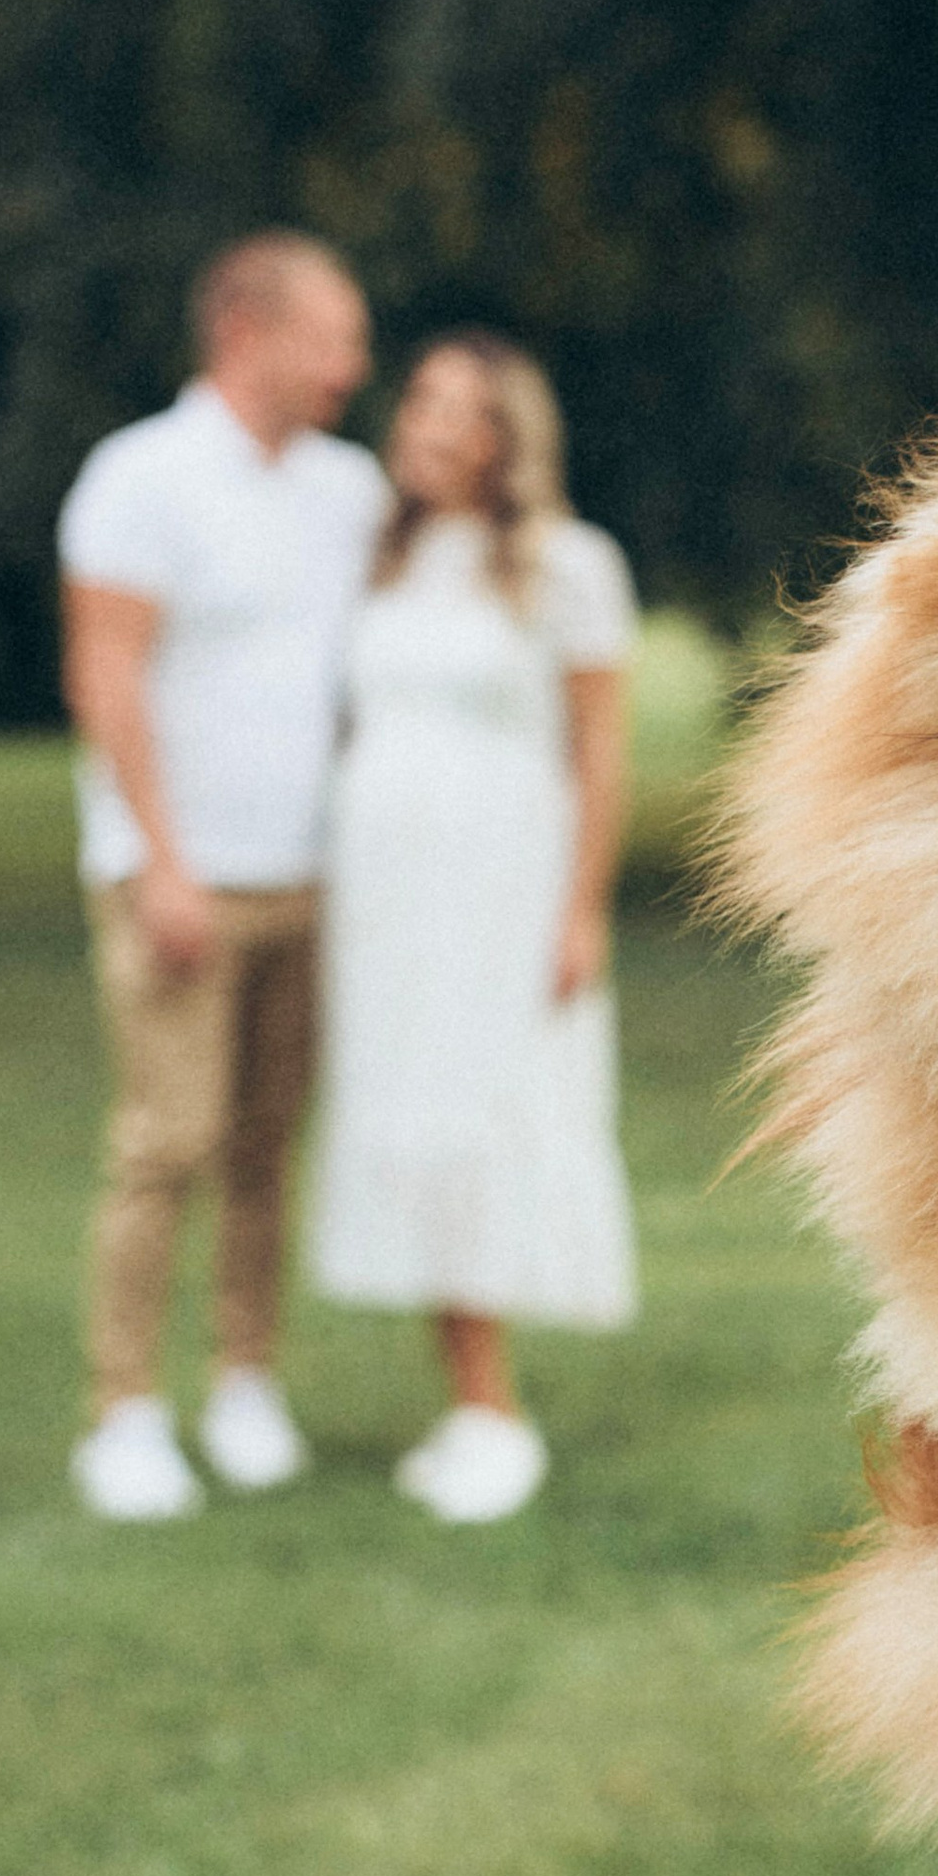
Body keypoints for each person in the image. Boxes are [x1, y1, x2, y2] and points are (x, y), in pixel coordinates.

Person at [61, 234, 385, 1522]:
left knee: (266, 1146)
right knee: (165, 1145)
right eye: (336, 337)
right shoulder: (138, 478)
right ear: (250, 333)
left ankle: (243, 1379)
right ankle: (122, 1411)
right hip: (179, 877)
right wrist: (162, 863)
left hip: (313, 878)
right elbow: (106, 674)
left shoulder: (349, 489)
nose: (354, 366)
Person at [305, 331, 639, 1523]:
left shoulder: (567, 565)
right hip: (388, 903)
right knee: (407, 1119)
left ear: (505, 436)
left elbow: (601, 748)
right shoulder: (380, 559)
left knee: (491, 1116)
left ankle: (494, 1410)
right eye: (420, 401)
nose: (427, 424)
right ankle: (461, 1396)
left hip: (501, 889)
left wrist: (580, 909)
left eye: (460, 408)